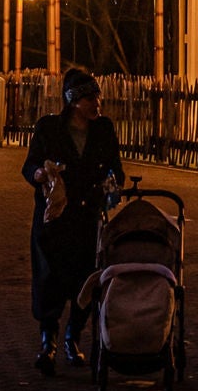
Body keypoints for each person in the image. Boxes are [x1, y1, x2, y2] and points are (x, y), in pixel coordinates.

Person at [22, 68, 123, 374]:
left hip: (87, 218)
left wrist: (111, 186)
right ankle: (47, 343)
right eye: (90, 97)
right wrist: (41, 174)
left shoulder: (103, 129)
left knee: (86, 279)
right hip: (54, 219)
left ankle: (73, 337)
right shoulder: (49, 128)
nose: (97, 103)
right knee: (49, 278)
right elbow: (30, 165)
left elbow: (116, 170)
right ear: (74, 100)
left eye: (98, 96)